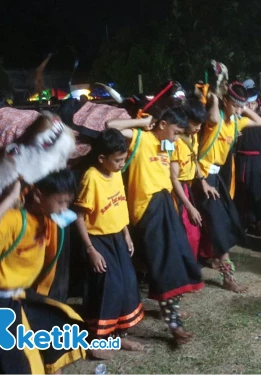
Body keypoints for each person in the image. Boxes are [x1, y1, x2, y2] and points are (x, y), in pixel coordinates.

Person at [0, 171, 85, 374]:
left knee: (64, 330)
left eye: (67, 202)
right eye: (61, 202)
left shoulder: (46, 218)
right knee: (23, 366)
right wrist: (10, 199)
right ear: (38, 196)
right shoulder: (12, 220)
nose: (65, 209)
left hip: (19, 297)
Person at [106, 107, 204, 344]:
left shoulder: (166, 145)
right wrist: (142, 121)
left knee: (177, 259)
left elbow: (171, 173)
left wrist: (185, 204)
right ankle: (173, 323)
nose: (176, 138)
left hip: (166, 204)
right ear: (162, 125)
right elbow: (111, 126)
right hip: (147, 209)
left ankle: (169, 312)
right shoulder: (140, 137)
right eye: (175, 131)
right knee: (165, 265)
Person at [74, 128, 144, 359]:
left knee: (126, 283)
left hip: (117, 237)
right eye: (117, 160)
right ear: (102, 158)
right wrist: (90, 249)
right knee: (108, 286)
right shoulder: (91, 177)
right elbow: (79, 216)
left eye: (124, 159)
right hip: (98, 241)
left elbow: (119, 205)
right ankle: (97, 340)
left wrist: (126, 234)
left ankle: (118, 336)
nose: (122, 164)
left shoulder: (115, 173)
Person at [193, 82, 261, 293]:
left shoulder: (235, 123)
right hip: (202, 177)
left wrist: (241, 108)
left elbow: (260, 120)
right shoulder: (214, 121)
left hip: (216, 177)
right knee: (218, 225)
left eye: (240, 105)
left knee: (227, 220)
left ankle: (214, 259)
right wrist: (215, 98)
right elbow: (214, 117)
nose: (237, 109)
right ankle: (228, 276)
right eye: (234, 104)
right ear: (225, 101)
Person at [171, 99, 207, 258]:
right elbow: (174, 178)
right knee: (188, 232)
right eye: (195, 124)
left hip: (189, 186)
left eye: (200, 124)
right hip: (177, 191)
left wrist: (203, 180)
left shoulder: (193, 137)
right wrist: (189, 206)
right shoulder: (175, 141)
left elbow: (194, 159)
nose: (198, 128)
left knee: (195, 231)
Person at [235, 88, 261, 237]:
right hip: (241, 159)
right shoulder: (238, 120)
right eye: (247, 103)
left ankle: (257, 223)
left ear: (257, 105)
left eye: (253, 103)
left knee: (257, 193)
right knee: (241, 192)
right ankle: (241, 223)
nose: (250, 106)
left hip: (257, 160)